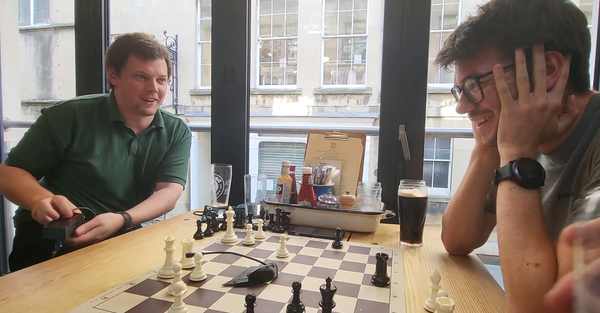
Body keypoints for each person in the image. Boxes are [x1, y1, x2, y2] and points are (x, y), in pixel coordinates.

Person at [435, 0, 600, 311]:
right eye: (459, 90)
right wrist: (486, 148)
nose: (462, 106)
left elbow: (535, 308)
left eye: (473, 85)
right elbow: (457, 240)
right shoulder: (528, 130)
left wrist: (516, 154)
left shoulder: (527, 140)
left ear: (548, 69)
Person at [0, 32, 192, 272]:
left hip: (119, 231)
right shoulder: (68, 116)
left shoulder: (177, 130)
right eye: (141, 77)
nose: (153, 89)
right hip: (50, 239)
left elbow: (169, 192)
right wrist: (40, 200)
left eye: (161, 80)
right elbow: (9, 173)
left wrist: (124, 219)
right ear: (113, 75)